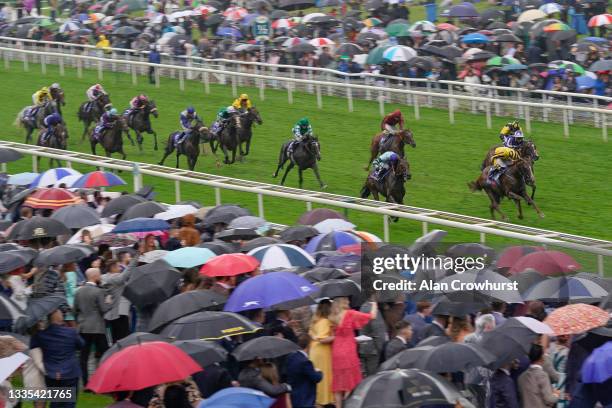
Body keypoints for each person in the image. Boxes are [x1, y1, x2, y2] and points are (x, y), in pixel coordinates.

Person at [30, 309, 84, 408]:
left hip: (52, 373)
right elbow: (81, 344)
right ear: (61, 318)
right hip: (70, 372)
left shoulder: (41, 335)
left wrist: (37, 327)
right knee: (69, 403)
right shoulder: (71, 332)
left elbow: (33, 345)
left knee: (55, 402)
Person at [330, 297, 377, 408]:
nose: (350, 302)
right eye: (347, 300)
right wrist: (374, 304)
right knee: (351, 383)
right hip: (348, 351)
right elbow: (372, 316)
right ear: (344, 302)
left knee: (338, 384)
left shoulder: (332, 316)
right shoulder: (350, 313)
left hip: (336, 351)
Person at [73, 268, 112, 385]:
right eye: (99, 275)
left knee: (83, 356)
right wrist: (109, 302)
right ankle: (104, 380)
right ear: (95, 276)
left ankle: (85, 383)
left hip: (83, 327)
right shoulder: (98, 292)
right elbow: (104, 309)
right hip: (97, 328)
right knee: (105, 354)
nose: (100, 277)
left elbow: (74, 310)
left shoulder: (78, 291)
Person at [284, 334, 323, 408]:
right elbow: (317, 378)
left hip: (294, 395)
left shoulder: (290, 357)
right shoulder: (305, 362)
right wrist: (319, 371)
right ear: (309, 345)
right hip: (305, 398)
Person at [308, 300, 334, 407]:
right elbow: (322, 339)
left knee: (316, 374)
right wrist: (336, 337)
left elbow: (311, 334)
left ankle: (317, 400)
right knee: (324, 376)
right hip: (322, 351)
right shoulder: (325, 321)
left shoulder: (315, 320)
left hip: (313, 350)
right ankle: (323, 400)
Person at [518, 344, 560, 408]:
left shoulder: (521, 377)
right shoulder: (542, 375)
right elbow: (549, 399)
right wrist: (556, 394)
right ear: (542, 357)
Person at [100, 260, 133, 343]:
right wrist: (135, 259)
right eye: (118, 266)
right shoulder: (114, 277)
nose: (120, 268)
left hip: (112, 312)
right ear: (112, 268)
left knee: (115, 336)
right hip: (119, 311)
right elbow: (126, 274)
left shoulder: (103, 277)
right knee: (123, 336)